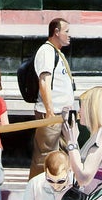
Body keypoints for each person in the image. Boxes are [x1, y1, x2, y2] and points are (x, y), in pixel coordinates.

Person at [30, 17, 77, 177]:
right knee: (45, 157)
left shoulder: (57, 53)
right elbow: (44, 81)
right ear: (56, 32)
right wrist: (49, 112)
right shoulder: (46, 51)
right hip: (51, 113)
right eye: (66, 31)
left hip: (62, 114)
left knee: (64, 156)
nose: (69, 35)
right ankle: (37, 192)